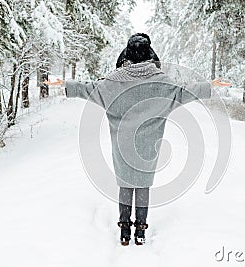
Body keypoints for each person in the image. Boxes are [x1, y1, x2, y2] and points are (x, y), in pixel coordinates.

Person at [45, 33, 232, 246]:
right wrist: (210, 85)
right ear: (149, 55)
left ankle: (124, 230)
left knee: (125, 185)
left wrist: (64, 84)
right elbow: (185, 92)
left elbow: (87, 89)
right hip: (148, 148)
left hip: (122, 146)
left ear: (127, 55)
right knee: (143, 185)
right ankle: (140, 232)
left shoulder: (112, 82)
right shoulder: (162, 82)